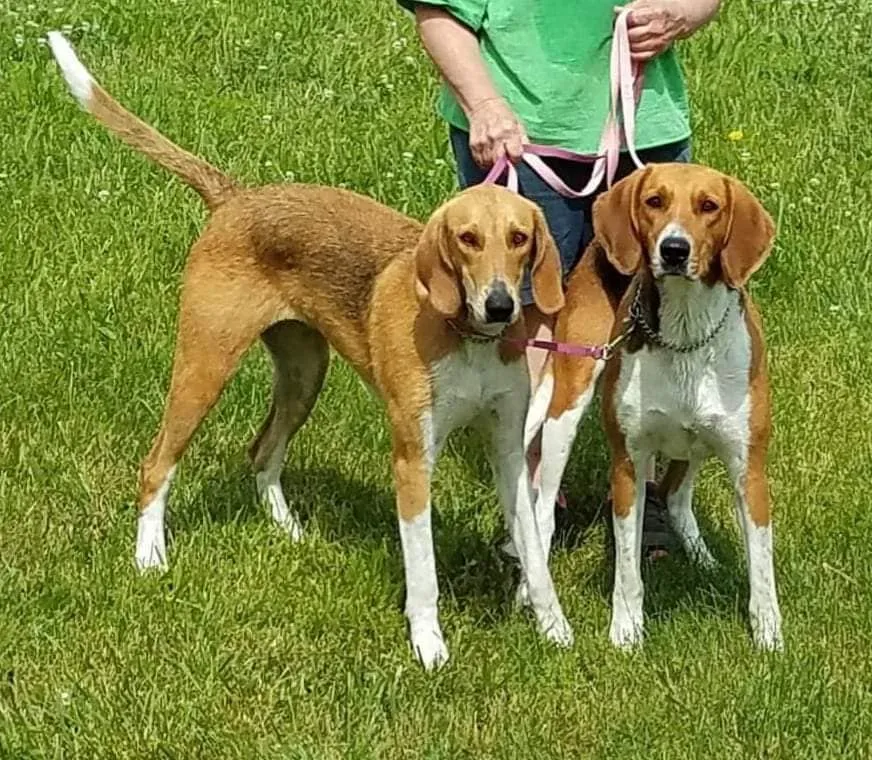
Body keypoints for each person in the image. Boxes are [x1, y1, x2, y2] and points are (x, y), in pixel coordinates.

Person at [402, 0, 722, 556]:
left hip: (644, 123)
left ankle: (644, 491)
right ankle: (531, 497)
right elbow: (439, 10)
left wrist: (688, 10)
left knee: (657, 314)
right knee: (533, 315)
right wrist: (483, 103)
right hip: (518, 129)